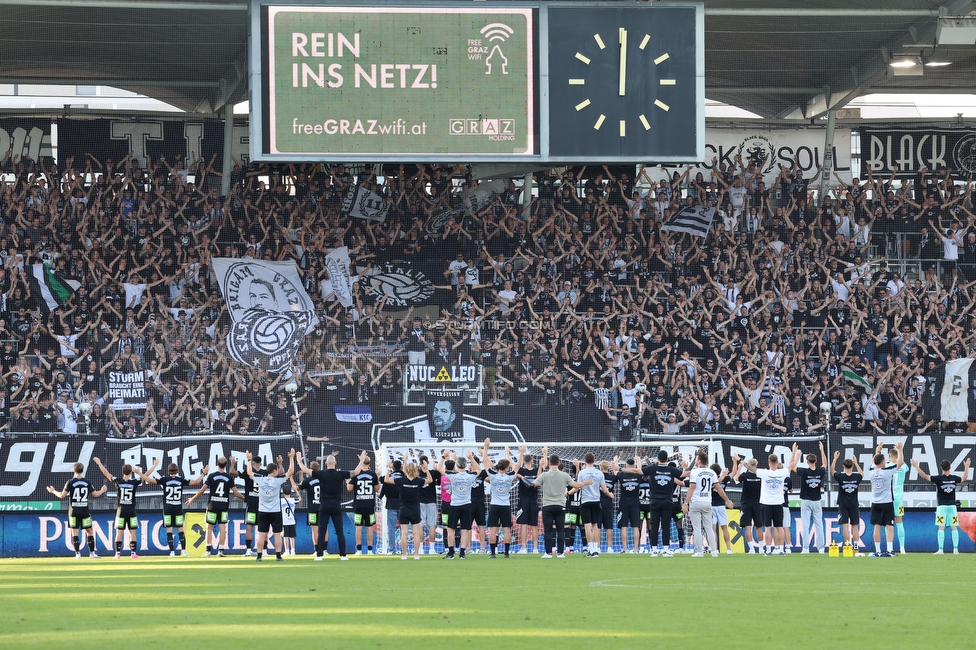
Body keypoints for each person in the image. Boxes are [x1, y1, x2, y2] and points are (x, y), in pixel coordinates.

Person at [299, 450, 368, 561]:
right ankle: (343, 555)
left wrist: (298, 460)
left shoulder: (321, 474)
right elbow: (355, 472)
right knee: (339, 531)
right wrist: (361, 461)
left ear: (326, 463)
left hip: (324, 506)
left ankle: (319, 555)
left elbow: (306, 470)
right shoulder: (340, 474)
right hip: (336, 506)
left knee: (321, 531)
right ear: (335, 463)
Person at [533, 448, 593, 558]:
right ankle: (561, 553)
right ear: (559, 462)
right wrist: (585, 483)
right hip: (560, 505)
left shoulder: (544, 475)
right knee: (561, 529)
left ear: (549, 463)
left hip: (547, 506)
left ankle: (548, 552)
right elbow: (576, 485)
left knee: (548, 530)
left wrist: (541, 467)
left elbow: (534, 483)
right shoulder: (564, 475)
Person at [141, 462, 209, 557]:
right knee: (180, 530)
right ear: (177, 471)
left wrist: (143, 472)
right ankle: (184, 551)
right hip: (177, 508)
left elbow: (147, 479)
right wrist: (203, 473)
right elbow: (196, 482)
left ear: (168, 471)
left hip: (168, 508)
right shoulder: (181, 480)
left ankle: (172, 552)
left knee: (169, 530)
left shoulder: (164, 480)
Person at [92, 456, 150, 559]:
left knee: (119, 532)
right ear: (131, 472)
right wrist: (154, 465)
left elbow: (106, 473)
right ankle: (133, 553)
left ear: (122, 472)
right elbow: (146, 476)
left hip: (121, 510)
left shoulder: (118, 481)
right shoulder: (134, 482)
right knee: (133, 532)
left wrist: (99, 463)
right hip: (131, 510)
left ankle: (117, 553)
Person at [46, 462, 108, 559]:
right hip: (84, 511)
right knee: (90, 531)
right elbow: (95, 494)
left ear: (74, 470)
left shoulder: (70, 482)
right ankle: (92, 553)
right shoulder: (87, 482)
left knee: (74, 533)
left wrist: (53, 491)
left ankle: (77, 554)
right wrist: (102, 490)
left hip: (73, 511)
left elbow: (62, 495)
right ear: (82, 470)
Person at [186, 456, 245, 557]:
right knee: (222, 528)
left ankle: (208, 551)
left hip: (212, 506)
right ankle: (221, 550)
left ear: (217, 464)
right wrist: (245, 499)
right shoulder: (229, 478)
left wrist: (192, 499)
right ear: (225, 465)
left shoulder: (212, 476)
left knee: (209, 528)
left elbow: (202, 490)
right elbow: (236, 493)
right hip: (223, 506)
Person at [631, 449, 685, 556]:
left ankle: (654, 549)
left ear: (658, 459)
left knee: (654, 526)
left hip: (654, 502)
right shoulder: (671, 470)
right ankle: (665, 549)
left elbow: (639, 470)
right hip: (668, 502)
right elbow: (685, 474)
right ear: (667, 459)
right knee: (666, 526)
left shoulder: (653, 469)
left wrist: (620, 469)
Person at [912, 457, 971, 554]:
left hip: (942, 507)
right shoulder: (954, 478)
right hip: (952, 507)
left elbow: (924, 476)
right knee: (954, 527)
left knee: (941, 527)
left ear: (941, 468)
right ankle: (955, 549)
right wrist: (967, 467)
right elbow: (964, 478)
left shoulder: (938, 479)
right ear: (950, 467)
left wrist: (916, 466)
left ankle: (940, 549)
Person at [248, 448, 294, 562]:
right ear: (274, 471)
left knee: (261, 534)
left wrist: (249, 460)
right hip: (275, 512)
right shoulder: (278, 480)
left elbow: (249, 472)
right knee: (277, 534)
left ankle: (259, 556)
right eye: (277, 470)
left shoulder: (261, 479)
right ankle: (278, 556)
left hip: (263, 511)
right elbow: (290, 472)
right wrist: (291, 458)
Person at [480, 439, 525, 558]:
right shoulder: (510, 476)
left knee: (493, 530)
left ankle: (493, 554)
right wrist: (521, 453)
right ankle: (506, 554)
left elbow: (484, 461)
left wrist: (486, 447)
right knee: (506, 530)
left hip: (494, 505)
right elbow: (518, 465)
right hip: (505, 506)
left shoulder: (492, 475)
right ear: (506, 468)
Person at [683, 451, 732, 558]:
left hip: (696, 502)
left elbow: (691, 488)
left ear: (699, 460)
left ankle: (699, 551)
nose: (695, 461)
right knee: (709, 528)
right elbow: (718, 488)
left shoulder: (694, 472)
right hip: (707, 502)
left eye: (696, 459)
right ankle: (714, 551)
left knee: (697, 528)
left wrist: (686, 502)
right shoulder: (712, 473)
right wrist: (727, 500)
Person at [384, 458, 434, 560]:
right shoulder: (418, 481)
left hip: (403, 509)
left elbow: (386, 480)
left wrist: (388, 468)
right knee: (415, 532)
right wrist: (426, 470)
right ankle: (416, 555)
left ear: (405, 470)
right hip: (415, 509)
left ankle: (404, 555)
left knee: (404, 532)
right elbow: (430, 480)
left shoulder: (401, 480)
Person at [757, 447, 801, 556]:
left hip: (767, 503)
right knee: (779, 527)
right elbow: (791, 466)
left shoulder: (764, 473)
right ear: (777, 462)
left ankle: (768, 550)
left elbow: (750, 468)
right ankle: (781, 549)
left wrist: (739, 460)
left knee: (767, 528)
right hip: (778, 503)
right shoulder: (782, 472)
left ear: (768, 462)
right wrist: (797, 457)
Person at [789, 441, 828, 554]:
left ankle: (805, 548)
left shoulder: (804, 471)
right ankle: (821, 548)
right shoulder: (820, 471)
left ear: (807, 461)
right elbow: (825, 464)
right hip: (817, 501)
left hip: (806, 501)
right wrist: (822, 450)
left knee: (805, 525)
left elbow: (791, 466)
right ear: (816, 461)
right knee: (819, 525)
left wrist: (794, 453)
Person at [867, 441, 904, 557]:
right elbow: (900, 462)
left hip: (875, 503)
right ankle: (889, 550)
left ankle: (877, 551)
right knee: (890, 526)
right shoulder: (887, 472)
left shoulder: (871, 472)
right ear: (883, 462)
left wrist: (877, 451)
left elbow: (873, 462)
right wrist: (900, 450)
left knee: (876, 527)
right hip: (887, 503)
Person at [443, 453, 481, 559]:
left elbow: (439, 468)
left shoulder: (453, 476)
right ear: (465, 465)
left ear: (457, 465)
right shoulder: (470, 476)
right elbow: (479, 470)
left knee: (451, 529)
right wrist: (471, 458)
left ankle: (451, 553)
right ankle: (462, 553)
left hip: (455, 505)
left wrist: (444, 457)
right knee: (465, 529)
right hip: (466, 505)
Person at [577, 452, 614, 557]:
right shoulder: (599, 473)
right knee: (595, 526)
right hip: (596, 501)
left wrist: (568, 492)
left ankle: (591, 549)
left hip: (585, 501)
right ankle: (596, 549)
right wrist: (610, 494)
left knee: (587, 526)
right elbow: (604, 489)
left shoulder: (582, 473)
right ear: (594, 460)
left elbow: (578, 486)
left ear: (585, 461)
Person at [230, 453, 266, 557]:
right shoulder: (265, 473)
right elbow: (279, 473)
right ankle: (264, 551)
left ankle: (249, 550)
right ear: (261, 463)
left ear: (252, 463)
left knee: (249, 527)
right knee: (263, 527)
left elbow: (231, 472)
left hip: (251, 502)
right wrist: (280, 464)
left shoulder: (248, 472)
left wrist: (232, 464)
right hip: (262, 503)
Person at [831, 451, 864, 552]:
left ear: (843, 466)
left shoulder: (841, 476)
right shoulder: (856, 477)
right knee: (855, 526)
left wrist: (835, 458)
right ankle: (856, 547)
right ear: (852, 466)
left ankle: (847, 546)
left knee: (845, 525)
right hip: (854, 503)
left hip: (843, 503)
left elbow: (832, 471)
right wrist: (856, 463)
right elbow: (862, 474)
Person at [349, 454, 380, 554]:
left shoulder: (356, 474)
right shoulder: (373, 474)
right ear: (369, 463)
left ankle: (358, 550)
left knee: (358, 527)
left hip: (358, 505)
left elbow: (349, 488)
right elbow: (377, 489)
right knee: (369, 527)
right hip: (369, 504)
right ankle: (370, 550)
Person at [734, 457, 764, 554]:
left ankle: (751, 549)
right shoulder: (760, 476)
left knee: (748, 527)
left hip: (746, 504)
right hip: (758, 503)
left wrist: (739, 468)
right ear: (756, 465)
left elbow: (736, 478)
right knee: (759, 527)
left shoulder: (745, 475)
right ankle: (761, 548)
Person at [293, 461, 324, 556]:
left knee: (314, 529)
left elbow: (296, 488)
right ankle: (325, 549)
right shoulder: (324, 478)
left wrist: (291, 479)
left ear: (310, 469)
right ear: (319, 468)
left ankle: (316, 550)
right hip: (323, 507)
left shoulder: (308, 480)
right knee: (324, 528)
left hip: (312, 508)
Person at [613, 458, 642, 553]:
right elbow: (640, 469)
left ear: (626, 466)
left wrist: (616, 460)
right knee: (635, 527)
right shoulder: (638, 475)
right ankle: (636, 549)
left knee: (624, 527)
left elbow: (615, 471)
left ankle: (625, 549)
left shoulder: (622, 475)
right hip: (635, 504)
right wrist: (638, 460)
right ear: (634, 467)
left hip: (623, 504)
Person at [515, 452, 540, 553]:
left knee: (523, 525)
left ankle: (524, 548)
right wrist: (545, 454)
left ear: (523, 461)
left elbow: (514, 467)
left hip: (523, 502)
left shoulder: (520, 471)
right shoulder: (536, 470)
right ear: (532, 461)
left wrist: (519, 452)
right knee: (534, 526)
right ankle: (535, 549)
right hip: (533, 501)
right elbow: (540, 476)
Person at [888, 445, 910, 554]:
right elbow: (902, 462)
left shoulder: (886, 466)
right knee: (899, 523)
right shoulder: (903, 466)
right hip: (899, 499)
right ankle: (902, 548)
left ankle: (889, 547)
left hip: (888, 498)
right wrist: (900, 450)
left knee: (888, 523)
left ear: (889, 456)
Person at [418, 454, 441, 555]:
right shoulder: (433, 473)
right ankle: (432, 549)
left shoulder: (416, 473)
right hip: (431, 501)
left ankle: (420, 549)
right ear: (427, 462)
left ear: (419, 463)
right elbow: (439, 479)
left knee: (420, 525)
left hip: (420, 502)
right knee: (432, 525)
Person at [710, 463, 734, 555]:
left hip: (713, 506)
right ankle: (728, 549)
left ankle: (715, 549)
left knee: (713, 529)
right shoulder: (721, 478)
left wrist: (735, 463)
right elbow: (733, 473)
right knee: (724, 528)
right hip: (720, 506)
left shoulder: (710, 479)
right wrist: (734, 463)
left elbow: (733, 474)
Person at [280, 483, 299, 556]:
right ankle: (293, 551)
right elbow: (300, 499)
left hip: (284, 521)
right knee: (292, 537)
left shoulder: (281, 501)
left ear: (283, 492)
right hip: (292, 520)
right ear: (290, 492)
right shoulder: (293, 500)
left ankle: (287, 551)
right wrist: (296, 490)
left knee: (285, 537)